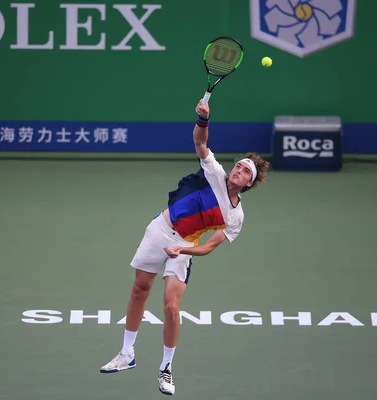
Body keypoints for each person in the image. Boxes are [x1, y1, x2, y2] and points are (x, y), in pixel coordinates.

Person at [99, 99, 270, 395]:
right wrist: (203, 120)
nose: (238, 171)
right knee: (139, 289)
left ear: (249, 184)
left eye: (245, 172)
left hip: (185, 245)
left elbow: (208, 248)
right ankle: (127, 354)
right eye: (239, 165)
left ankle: (165, 368)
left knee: (171, 306)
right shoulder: (213, 171)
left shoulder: (235, 217)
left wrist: (183, 251)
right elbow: (200, 142)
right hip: (160, 229)